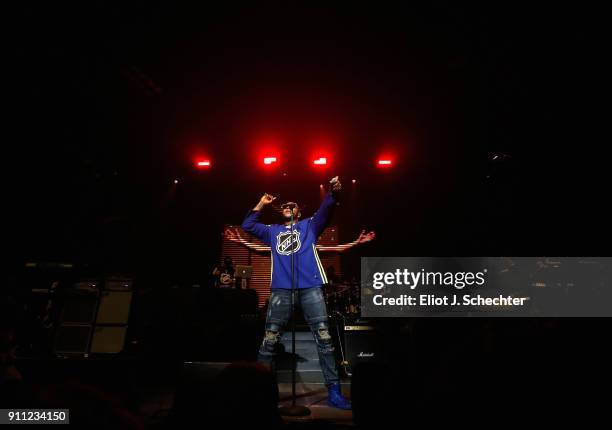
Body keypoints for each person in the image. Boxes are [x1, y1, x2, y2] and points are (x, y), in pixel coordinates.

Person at [241, 176, 352, 410]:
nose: (288, 207)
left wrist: (333, 192)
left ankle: (334, 391)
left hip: (310, 287)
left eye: (293, 206)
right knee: (269, 340)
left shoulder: (309, 225)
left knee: (324, 339)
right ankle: (259, 394)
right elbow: (248, 225)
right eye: (285, 206)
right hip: (282, 288)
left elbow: (327, 207)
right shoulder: (272, 231)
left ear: (299, 212)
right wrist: (261, 203)